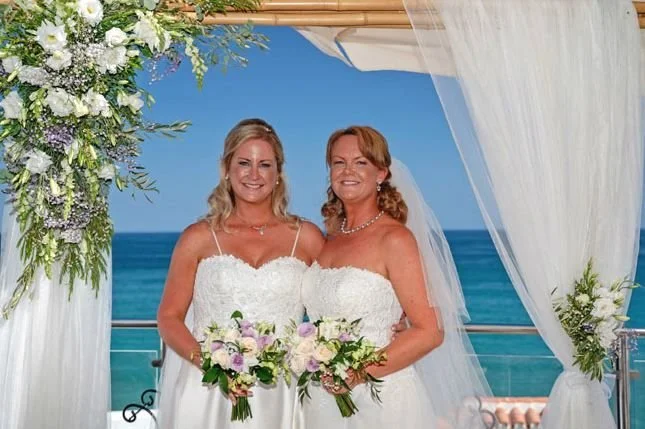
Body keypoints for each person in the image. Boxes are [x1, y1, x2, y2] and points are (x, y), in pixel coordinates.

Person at [295, 126, 490, 429]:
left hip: (378, 397)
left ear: (381, 174)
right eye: (339, 162)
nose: (348, 171)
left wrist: (357, 374)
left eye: (361, 162)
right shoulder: (332, 237)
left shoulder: (394, 239)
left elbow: (430, 331)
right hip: (322, 399)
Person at [156, 118, 325, 429]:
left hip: (283, 394)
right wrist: (213, 366)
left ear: (278, 173)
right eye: (244, 163)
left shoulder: (308, 237)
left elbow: (335, 301)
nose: (254, 174)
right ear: (226, 169)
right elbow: (168, 317)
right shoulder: (198, 237)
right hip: (208, 391)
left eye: (265, 164)